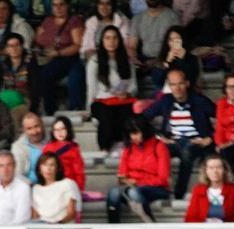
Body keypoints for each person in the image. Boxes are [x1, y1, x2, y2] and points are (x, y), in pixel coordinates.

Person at [142, 67, 215, 199]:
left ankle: (179, 194)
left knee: (187, 152)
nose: (177, 88)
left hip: (196, 142)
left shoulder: (200, 100)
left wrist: (210, 138)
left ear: (187, 83)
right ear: (169, 86)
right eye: (173, 84)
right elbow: (142, 118)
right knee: (155, 151)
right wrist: (159, 136)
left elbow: (222, 118)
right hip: (173, 141)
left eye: (180, 83)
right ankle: (155, 190)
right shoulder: (166, 101)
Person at [107, 116, 170, 223]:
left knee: (133, 192)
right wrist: (123, 179)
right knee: (114, 192)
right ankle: (114, 226)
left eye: (136, 133)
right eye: (131, 134)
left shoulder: (159, 146)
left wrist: (138, 182)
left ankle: (149, 221)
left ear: (144, 131)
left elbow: (163, 179)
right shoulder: (129, 148)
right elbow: (122, 173)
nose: (133, 137)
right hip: (131, 186)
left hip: (156, 188)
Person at [87, 26, 137, 156]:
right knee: (106, 114)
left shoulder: (127, 60)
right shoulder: (94, 61)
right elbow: (91, 88)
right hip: (102, 101)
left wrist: (127, 93)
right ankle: (105, 148)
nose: (111, 41)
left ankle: (123, 145)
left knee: (126, 112)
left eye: (115, 38)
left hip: (122, 100)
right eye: (107, 38)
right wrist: (89, 111)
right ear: (102, 41)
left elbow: (133, 86)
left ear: (119, 40)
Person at [34, 0, 84, 114]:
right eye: (55, 5)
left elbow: (77, 45)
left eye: (62, 4)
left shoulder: (74, 21)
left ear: (68, 6)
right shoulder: (47, 21)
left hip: (67, 57)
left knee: (46, 75)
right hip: (45, 56)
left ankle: (50, 111)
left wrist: (58, 53)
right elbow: (37, 39)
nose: (58, 8)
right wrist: (38, 49)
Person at [0, 33, 40, 128]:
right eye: (10, 46)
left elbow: (36, 87)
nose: (14, 48)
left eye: (16, 45)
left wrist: (33, 110)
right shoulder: (2, 64)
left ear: (22, 46)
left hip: (25, 101)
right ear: (6, 49)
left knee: (13, 114)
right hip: (7, 100)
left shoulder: (30, 62)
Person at [184, 154, 234, 222]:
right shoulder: (198, 190)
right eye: (211, 168)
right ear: (206, 171)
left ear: (225, 170)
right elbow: (190, 217)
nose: (215, 171)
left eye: (219, 167)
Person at [31, 152, 80, 223]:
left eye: (52, 165)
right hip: (42, 228)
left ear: (57, 168)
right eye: (45, 165)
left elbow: (71, 214)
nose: (48, 168)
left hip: (63, 227)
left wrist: (56, 225)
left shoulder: (68, 183)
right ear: (39, 168)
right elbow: (35, 215)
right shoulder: (35, 188)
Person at [42, 115, 86, 192]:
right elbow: (44, 168)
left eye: (63, 129)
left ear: (68, 129)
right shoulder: (47, 148)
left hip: (69, 185)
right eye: (56, 130)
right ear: (52, 132)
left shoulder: (74, 148)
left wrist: (78, 190)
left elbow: (79, 172)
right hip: (52, 185)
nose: (59, 132)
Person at [150, 25, 200, 91]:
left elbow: (191, 80)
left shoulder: (192, 59)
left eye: (177, 39)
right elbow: (156, 81)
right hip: (165, 93)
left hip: (186, 93)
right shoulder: (162, 58)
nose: (174, 43)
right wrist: (167, 62)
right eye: (171, 40)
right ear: (167, 42)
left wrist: (183, 60)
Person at [129, 0, 175, 70]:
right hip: (143, 59)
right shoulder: (138, 18)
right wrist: (134, 58)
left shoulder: (172, 17)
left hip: (164, 59)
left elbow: (176, 46)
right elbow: (132, 46)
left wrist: (157, 61)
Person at [11, 112, 46, 184]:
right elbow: (17, 174)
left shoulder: (52, 141)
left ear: (42, 124)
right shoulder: (18, 147)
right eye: (29, 128)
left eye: (36, 126)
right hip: (29, 186)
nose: (34, 132)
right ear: (24, 130)